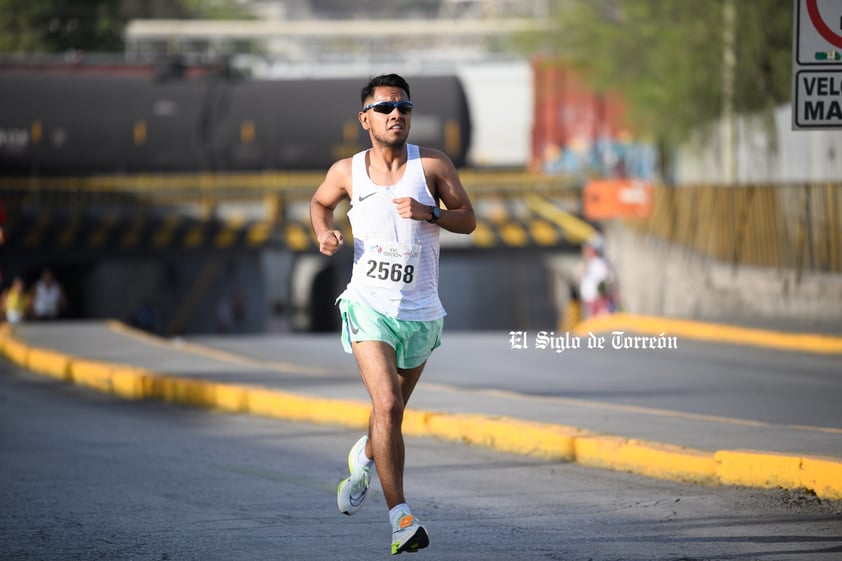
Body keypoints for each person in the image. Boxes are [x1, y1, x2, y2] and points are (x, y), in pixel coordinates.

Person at [309, 73, 475, 555]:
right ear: (366, 120)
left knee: (390, 416)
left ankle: (364, 456)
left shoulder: (432, 167)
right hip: (368, 306)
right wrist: (323, 232)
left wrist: (431, 214)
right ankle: (401, 519)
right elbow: (319, 204)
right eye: (385, 109)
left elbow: (468, 219)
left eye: (403, 107)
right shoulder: (347, 172)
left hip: (422, 313)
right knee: (388, 406)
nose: (395, 114)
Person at [575, 235, 617, 319]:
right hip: (588, 298)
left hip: (598, 300)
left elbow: (607, 281)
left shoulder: (600, 264)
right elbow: (577, 278)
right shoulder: (585, 263)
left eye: (587, 249)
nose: (585, 251)